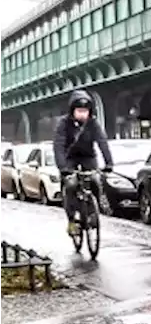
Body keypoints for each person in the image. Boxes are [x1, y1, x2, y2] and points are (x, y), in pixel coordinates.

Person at [53, 90, 113, 235]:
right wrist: (63, 168)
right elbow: (58, 146)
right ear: (72, 110)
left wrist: (109, 162)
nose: (82, 114)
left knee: (95, 181)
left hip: (88, 156)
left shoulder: (93, 124)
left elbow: (102, 142)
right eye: (79, 111)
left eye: (85, 111)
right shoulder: (63, 124)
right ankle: (72, 221)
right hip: (69, 158)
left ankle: (93, 212)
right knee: (71, 185)